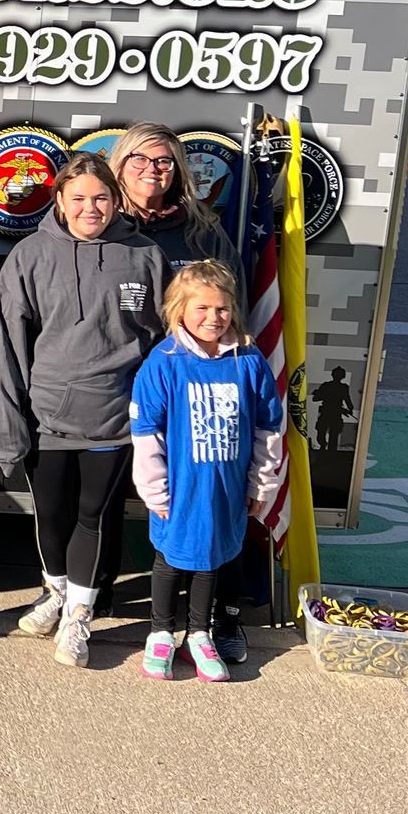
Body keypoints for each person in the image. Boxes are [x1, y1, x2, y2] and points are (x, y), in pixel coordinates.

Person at [0, 154, 167, 669]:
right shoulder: (30, 257)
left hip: (114, 419)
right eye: (79, 198)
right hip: (47, 417)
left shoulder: (145, 256)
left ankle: (78, 617)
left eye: (101, 198)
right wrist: (8, 420)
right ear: (59, 201)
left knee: (93, 516)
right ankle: (57, 593)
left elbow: (164, 343)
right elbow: (5, 345)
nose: (91, 208)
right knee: (52, 517)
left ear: (116, 200)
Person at [129, 260, 286, 681]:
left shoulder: (248, 362)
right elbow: (147, 435)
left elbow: (268, 427)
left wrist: (261, 482)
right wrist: (156, 492)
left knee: (211, 560)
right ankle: (160, 632)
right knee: (169, 560)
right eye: (201, 309)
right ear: (179, 310)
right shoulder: (164, 363)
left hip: (227, 489)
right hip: (181, 489)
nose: (213, 318)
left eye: (221, 309)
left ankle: (198, 634)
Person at [110, 123, 235, 267]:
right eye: (140, 158)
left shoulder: (202, 230)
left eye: (163, 161)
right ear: (121, 165)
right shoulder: (103, 224)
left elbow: (231, 285)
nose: (152, 169)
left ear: (177, 170)